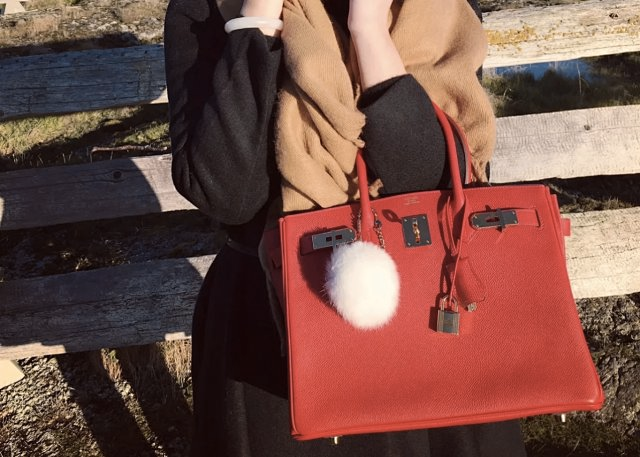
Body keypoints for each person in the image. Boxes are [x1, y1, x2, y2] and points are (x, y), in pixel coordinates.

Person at [164, 0, 528, 455]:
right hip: (276, 325)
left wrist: (369, 31)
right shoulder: (206, 10)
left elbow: (433, 181)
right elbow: (229, 195)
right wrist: (256, 23)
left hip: (432, 304)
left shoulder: (437, 11)